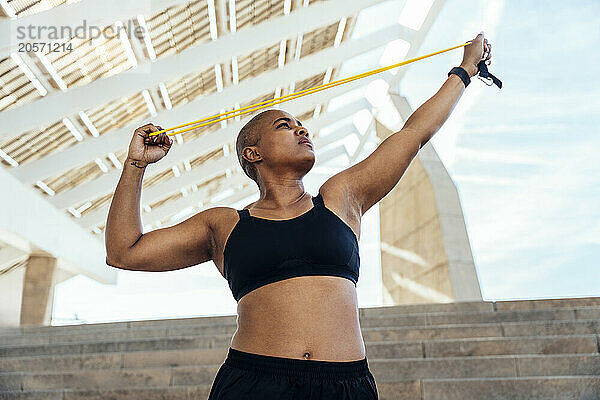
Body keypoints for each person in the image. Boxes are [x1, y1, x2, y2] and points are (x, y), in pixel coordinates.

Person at [105, 33, 491, 399]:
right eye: (284, 125)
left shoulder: (342, 197)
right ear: (252, 154)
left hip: (346, 385)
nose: (301, 128)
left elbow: (413, 133)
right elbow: (125, 252)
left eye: (301, 124)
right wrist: (136, 164)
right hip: (254, 383)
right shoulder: (223, 224)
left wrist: (465, 70)